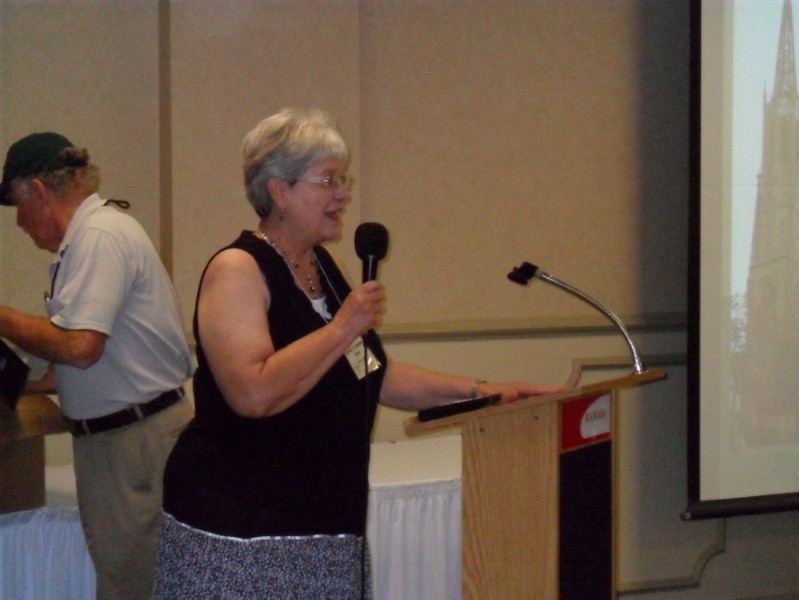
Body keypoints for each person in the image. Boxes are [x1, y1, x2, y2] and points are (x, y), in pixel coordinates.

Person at [153, 108, 560, 599]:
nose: (343, 194)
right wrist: (343, 326)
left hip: (324, 518)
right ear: (279, 190)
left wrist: (482, 392)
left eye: (341, 179)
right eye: (327, 180)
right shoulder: (237, 269)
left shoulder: (321, 266)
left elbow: (373, 375)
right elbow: (253, 393)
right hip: (243, 526)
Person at [0, 132, 194, 599]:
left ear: (40, 191)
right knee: (130, 578)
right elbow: (76, 362)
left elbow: (81, 347)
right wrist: (17, 382)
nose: (20, 224)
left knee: (132, 586)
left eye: (17, 206)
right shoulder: (91, 239)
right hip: (126, 439)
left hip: (133, 443)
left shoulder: (100, 237)